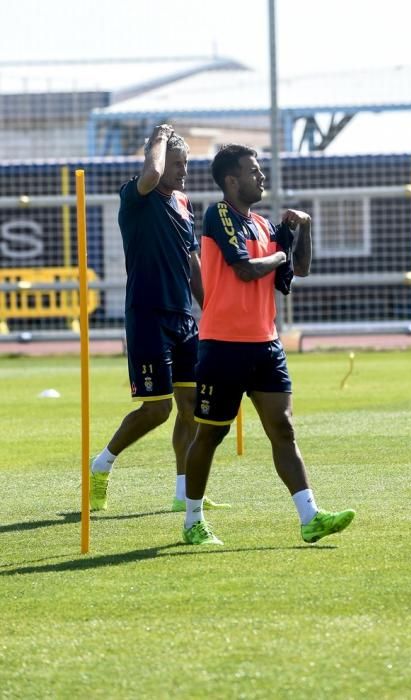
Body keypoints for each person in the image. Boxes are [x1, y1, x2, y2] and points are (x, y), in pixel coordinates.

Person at [182, 144, 355, 545]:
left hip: (265, 345)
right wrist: (281, 252)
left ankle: (310, 516)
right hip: (222, 345)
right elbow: (243, 269)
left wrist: (303, 231)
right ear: (231, 180)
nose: (261, 177)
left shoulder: (263, 225)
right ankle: (192, 520)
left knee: (284, 428)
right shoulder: (219, 214)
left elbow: (299, 270)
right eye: (253, 171)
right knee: (209, 435)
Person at [90, 124, 229, 514]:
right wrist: (158, 138)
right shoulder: (136, 194)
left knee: (190, 408)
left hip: (183, 317)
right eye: (177, 164)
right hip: (147, 315)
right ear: (159, 159)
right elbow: (151, 174)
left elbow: (193, 261)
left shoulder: (183, 204)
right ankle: (101, 464)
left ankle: (183, 493)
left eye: (186, 164)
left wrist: (212, 307)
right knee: (158, 409)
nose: (183, 172)